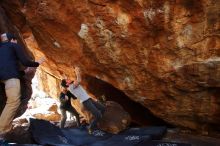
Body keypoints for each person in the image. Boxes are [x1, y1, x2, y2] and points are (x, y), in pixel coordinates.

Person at [0, 33, 45, 138]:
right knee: (13, 101)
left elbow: (7, 67)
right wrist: (37, 63)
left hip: (4, 77)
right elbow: (25, 61)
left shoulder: (1, 48)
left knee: (11, 101)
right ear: (13, 40)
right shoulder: (13, 45)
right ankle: (1, 129)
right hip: (11, 79)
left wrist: (24, 72)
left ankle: (4, 128)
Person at [61, 67, 105, 134]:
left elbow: (66, 79)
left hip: (89, 99)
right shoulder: (71, 87)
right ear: (67, 84)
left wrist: (64, 76)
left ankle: (97, 120)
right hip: (86, 102)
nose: (68, 79)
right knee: (98, 115)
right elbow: (79, 80)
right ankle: (91, 127)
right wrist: (77, 71)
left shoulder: (71, 85)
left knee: (102, 108)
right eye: (67, 80)